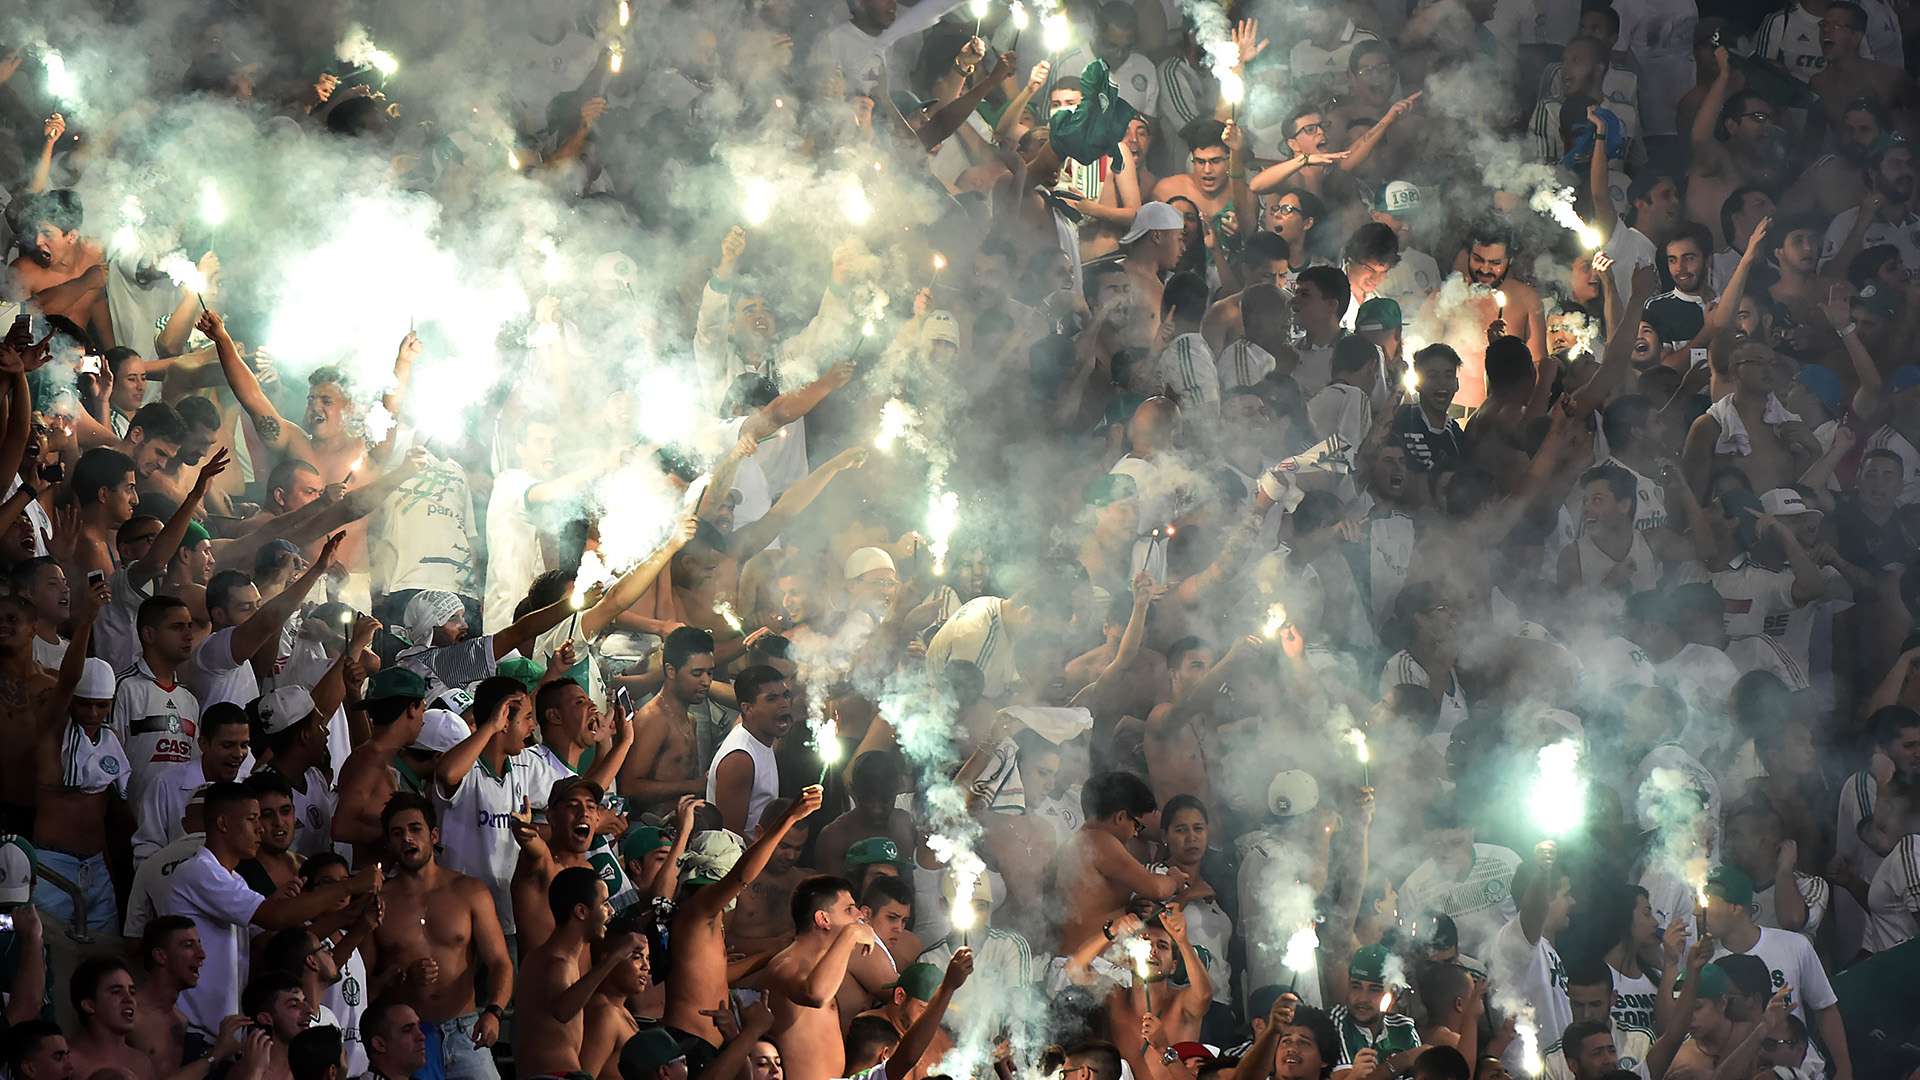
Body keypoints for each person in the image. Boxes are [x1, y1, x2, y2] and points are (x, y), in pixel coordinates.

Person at [161, 781, 378, 1038]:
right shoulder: (200, 871)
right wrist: (349, 886)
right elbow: (275, 918)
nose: (260, 828)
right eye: (253, 819)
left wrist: (348, 916)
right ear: (223, 824)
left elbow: (273, 941)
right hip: (195, 1029)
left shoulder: (234, 880)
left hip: (222, 1031)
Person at [663, 787, 823, 1068]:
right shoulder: (698, 911)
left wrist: (772, 953)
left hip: (710, 1044)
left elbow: (717, 977)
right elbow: (742, 875)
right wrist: (790, 817)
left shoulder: (703, 921)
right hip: (690, 1045)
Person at [364, 792, 513, 1080]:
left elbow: (500, 962)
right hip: (407, 1038)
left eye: (414, 829)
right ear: (389, 843)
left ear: (433, 835)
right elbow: (364, 985)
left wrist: (494, 1012)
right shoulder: (379, 902)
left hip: (467, 1030)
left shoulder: (470, 891)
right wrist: (400, 980)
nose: (407, 838)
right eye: (397, 833)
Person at [1701, 865, 1852, 1079]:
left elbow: (1825, 1008)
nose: (1699, 910)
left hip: (1802, 1070)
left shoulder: (1793, 945)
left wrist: (1844, 1069)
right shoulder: (1704, 961)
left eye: (1708, 900)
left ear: (1735, 908)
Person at [515, 867, 645, 1078]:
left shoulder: (545, 957)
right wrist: (617, 955)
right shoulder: (558, 963)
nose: (610, 911)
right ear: (581, 912)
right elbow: (563, 1011)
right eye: (604, 904)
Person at [707, 664, 794, 835]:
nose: (784, 704)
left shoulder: (763, 739)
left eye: (785, 696)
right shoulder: (740, 760)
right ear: (747, 708)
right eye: (772, 699)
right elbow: (731, 838)